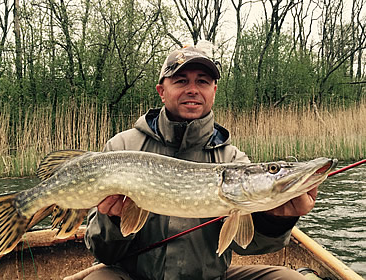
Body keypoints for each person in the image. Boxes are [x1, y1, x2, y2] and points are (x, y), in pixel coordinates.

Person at [84, 41, 315, 280]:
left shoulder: (233, 159)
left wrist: (275, 220)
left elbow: (248, 246)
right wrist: (113, 220)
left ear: (213, 92)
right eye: (181, 80)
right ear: (162, 91)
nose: (192, 89)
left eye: (202, 81)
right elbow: (102, 251)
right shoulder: (122, 148)